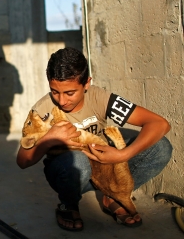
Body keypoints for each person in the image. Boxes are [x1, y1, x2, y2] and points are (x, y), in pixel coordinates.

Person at [16, 47, 172, 231]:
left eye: (70, 93)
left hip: (105, 162)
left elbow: (160, 124)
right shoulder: (42, 111)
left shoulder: (100, 98)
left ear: (87, 83)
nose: (62, 100)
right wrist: (49, 138)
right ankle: (68, 205)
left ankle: (112, 195)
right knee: (78, 162)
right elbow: (22, 161)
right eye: (55, 91)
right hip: (70, 173)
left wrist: (122, 155)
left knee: (161, 148)